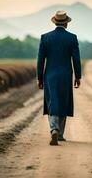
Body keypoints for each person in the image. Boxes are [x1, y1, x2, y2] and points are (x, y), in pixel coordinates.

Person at [37, 10, 81, 146]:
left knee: (52, 102)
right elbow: (76, 59)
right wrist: (78, 76)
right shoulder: (72, 38)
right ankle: (60, 133)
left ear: (55, 22)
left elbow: (40, 60)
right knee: (64, 101)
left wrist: (40, 78)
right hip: (66, 75)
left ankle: (54, 129)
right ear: (66, 23)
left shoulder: (45, 37)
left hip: (50, 75)